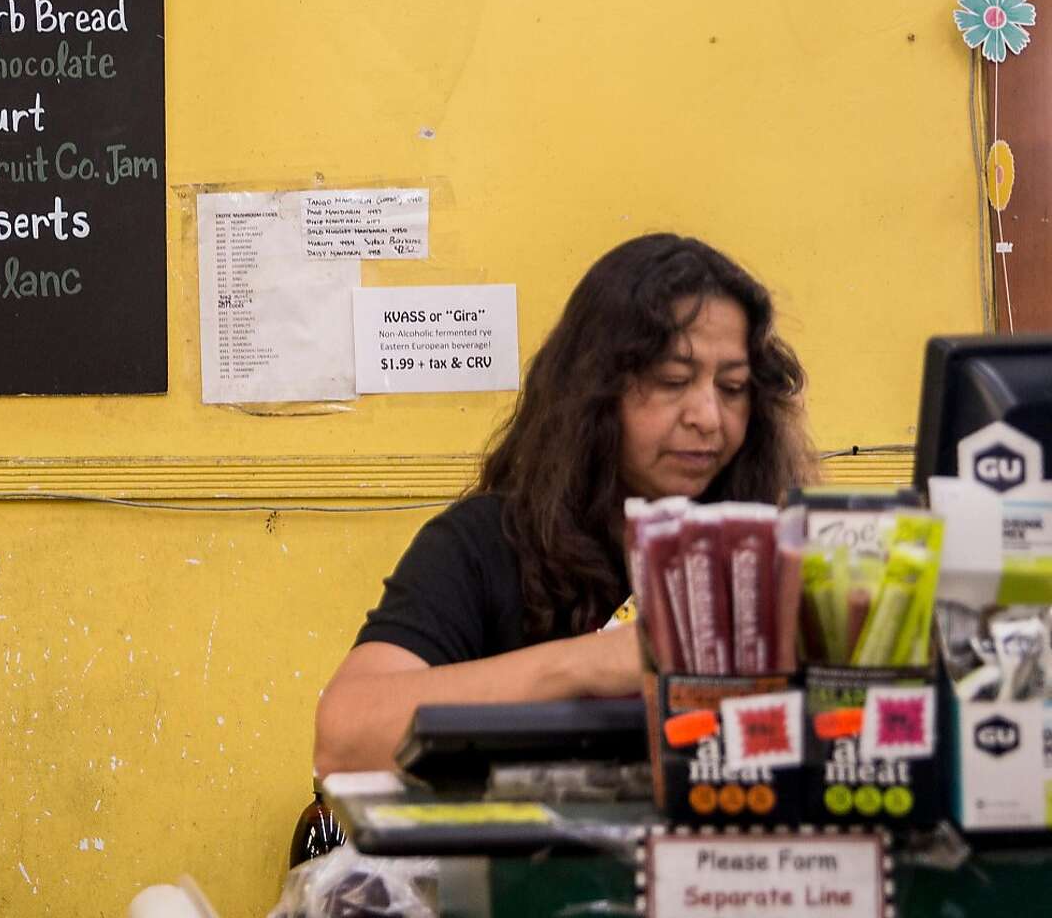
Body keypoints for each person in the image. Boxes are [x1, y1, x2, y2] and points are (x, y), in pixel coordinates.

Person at [313, 233, 817, 776]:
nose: (708, 418)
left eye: (733, 387)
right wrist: (594, 663)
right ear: (593, 390)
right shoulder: (485, 543)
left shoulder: (779, 549)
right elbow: (343, 740)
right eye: (672, 380)